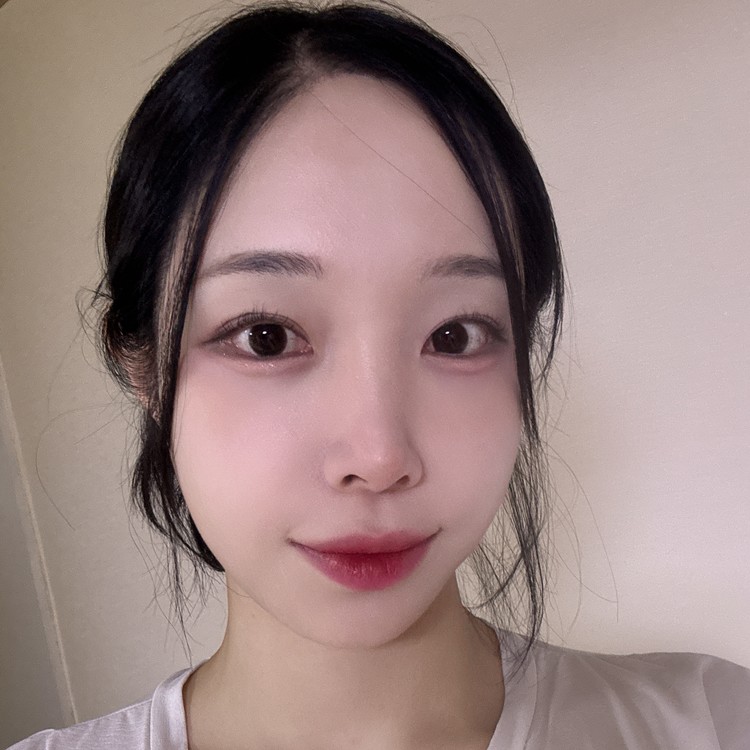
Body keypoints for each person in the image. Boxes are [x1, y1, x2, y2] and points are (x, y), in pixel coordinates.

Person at [8, 2, 749, 748]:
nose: (379, 457)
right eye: (267, 337)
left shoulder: (713, 722)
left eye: (455, 336)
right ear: (141, 364)